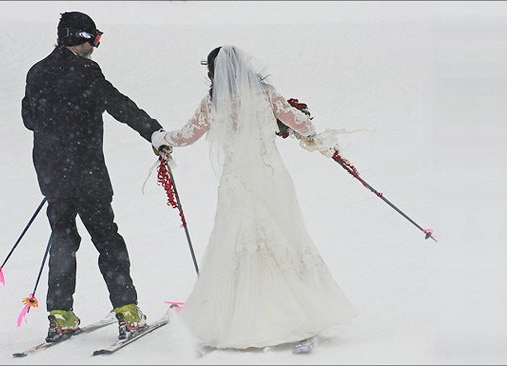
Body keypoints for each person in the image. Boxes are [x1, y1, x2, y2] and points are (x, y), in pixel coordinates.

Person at [151, 46, 355, 350]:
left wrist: (160, 138)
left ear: (213, 74)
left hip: (238, 181)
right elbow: (303, 124)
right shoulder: (265, 94)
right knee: (284, 237)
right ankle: (298, 310)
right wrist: (298, 121)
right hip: (270, 176)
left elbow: (186, 136)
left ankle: (243, 315)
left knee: (239, 241)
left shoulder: (213, 102)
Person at [21, 11, 170, 342]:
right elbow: (119, 105)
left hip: (52, 175)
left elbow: (28, 119)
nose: (96, 47)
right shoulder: (87, 72)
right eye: (95, 40)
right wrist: (154, 133)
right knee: (107, 239)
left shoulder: (37, 72)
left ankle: (60, 316)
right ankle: (128, 313)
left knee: (63, 238)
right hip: (87, 174)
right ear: (81, 38)